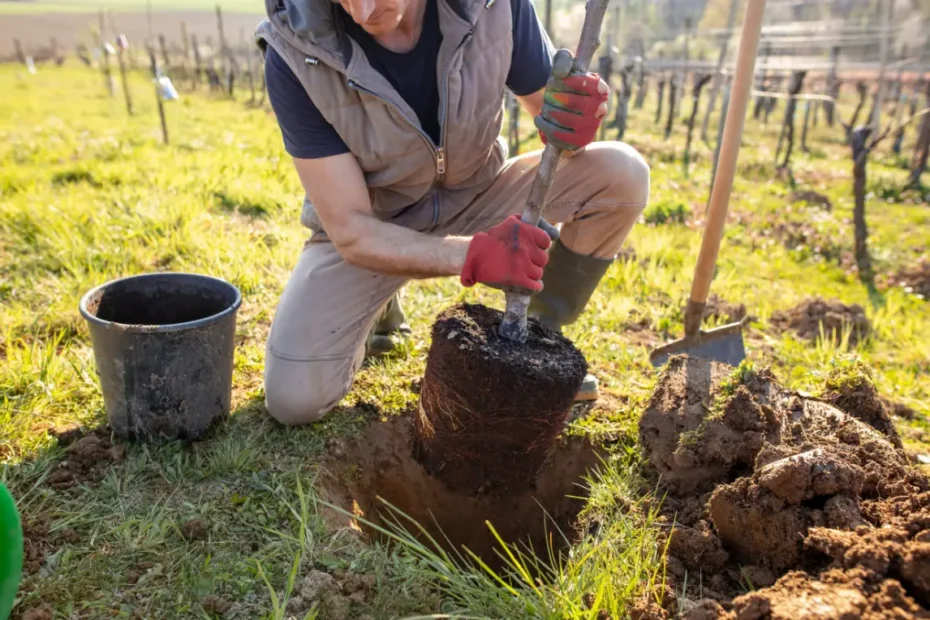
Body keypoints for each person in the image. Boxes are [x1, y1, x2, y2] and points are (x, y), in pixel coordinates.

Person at [255, 0, 650, 425]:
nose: (365, 10)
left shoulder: (494, 5)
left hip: (481, 193)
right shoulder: (296, 50)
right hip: (377, 226)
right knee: (294, 400)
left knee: (621, 175)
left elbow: (554, 127)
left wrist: (574, 121)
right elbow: (350, 229)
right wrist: (473, 257)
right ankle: (378, 307)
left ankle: (537, 344)